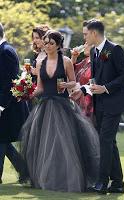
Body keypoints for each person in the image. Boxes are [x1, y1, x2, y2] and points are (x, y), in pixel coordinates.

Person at [20, 30, 100, 192]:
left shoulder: (65, 62)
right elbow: (40, 88)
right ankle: (45, 178)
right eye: (46, 42)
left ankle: (66, 178)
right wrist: (25, 94)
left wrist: (67, 86)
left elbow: (74, 82)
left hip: (62, 106)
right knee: (43, 145)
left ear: (58, 45)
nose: (47, 46)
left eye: (51, 43)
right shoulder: (41, 63)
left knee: (64, 144)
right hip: (44, 106)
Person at [71, 19, 124, 194]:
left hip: (115, 103)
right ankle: (118, 183)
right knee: (109, 142)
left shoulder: (115, 49)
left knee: (104, 141)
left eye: (85, 34)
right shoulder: (96, 53)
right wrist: (83, 90)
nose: (83, 38)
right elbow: (96, 78)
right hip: (101, 104)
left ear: (94, 33)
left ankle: (101, 182)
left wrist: (105, 88)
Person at [0, 23, 28, 184]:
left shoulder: (6, 52)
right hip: (5, 104)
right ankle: (25, 171)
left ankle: (25, 171)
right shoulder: (3, 50)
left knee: (2, 140)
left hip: (8, 106)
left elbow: (9, 82)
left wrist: (1, 105)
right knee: (3, 141)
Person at [71, 42, 93, 119]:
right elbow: (70, 72)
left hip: (89, 104)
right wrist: (74, 57)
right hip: (78, 102)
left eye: (87, 44)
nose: (84, 46)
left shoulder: (98, 63)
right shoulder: (85, 61)